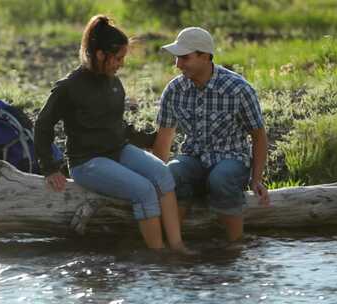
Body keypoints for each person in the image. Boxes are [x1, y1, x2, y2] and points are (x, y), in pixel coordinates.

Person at [34, 15, 191, 254]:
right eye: (118, 58)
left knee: (163, 174)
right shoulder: (69, 87)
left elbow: (118, 126)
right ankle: (159, 257)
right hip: (87, 163)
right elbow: (42, 126)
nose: (121, 63)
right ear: (100, 54)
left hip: (117, 150)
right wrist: (50, 167)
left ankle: (177, 246)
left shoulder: (114, 83)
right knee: (144, 191)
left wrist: (151, 139)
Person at [153, 27, 270, 242]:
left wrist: (257, 179)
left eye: (184, 58)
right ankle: (174, 246)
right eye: (177, 58)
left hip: (231, 158)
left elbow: (259, 136)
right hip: (193, 158)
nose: (178, 65)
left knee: (221, 178)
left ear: (205, 56)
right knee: (173, 173)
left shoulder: (238, 89)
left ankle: (235, 246)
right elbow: (164, 138)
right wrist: (156, 179)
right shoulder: (174, 90)